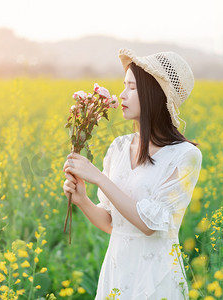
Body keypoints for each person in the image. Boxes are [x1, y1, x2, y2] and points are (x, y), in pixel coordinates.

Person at [62, 48, 202, 300]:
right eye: (123, 86)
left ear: (155, 95)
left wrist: (98, 178)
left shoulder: (185, 156)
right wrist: (82, 199)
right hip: (117, 271)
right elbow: (112, 223)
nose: (122, 95)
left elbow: (149, 225)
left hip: (155, 277)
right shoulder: (118, 148)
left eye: (132, 88)